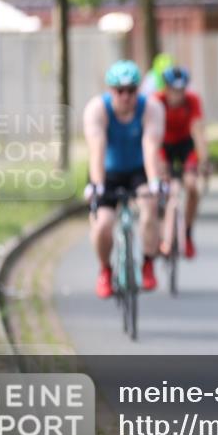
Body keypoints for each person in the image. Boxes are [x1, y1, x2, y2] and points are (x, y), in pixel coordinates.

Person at [83, 60, 165, 298]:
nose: (126, 96)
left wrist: (154, 183)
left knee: (149, 207)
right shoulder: (97, 109)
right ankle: (105, 270)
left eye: (132, 90)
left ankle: (148, 263)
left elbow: (151, 146)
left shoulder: (151, 107)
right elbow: (97, 148)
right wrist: (97, 186)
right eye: (120, 91)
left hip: (138, 169)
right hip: (107, 172)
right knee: (103, 225)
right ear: (110, 90)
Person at [155, 65, 209, 259]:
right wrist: (157, 164)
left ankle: (187, 232)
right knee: (163, 187)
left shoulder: (192, 101)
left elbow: (198, 132)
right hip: (163, 145)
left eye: (181, 89)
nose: (177, 94)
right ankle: (161, 232)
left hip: (185, 145)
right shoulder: (157, 101)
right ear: (166, 88)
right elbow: (151, 137)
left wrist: (204, 160)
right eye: (173, 89)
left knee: (192, 186)